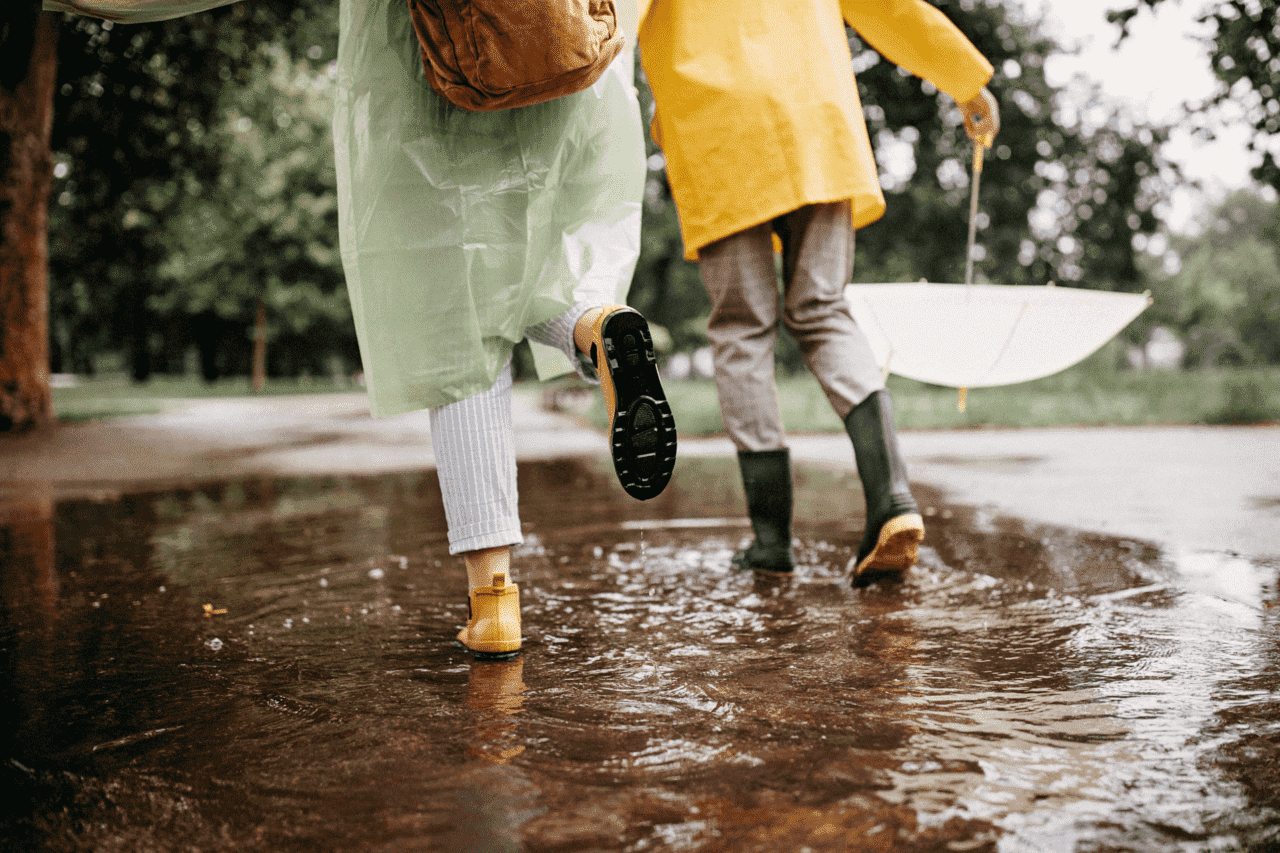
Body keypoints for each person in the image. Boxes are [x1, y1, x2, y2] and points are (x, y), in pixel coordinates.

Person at [333, 0, 675, 658]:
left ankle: (494, 606)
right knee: (550, 259)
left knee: (458, 317)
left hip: (433, 57)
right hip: (570, 48)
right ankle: (592, 325)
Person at [636, 0, 998, 584]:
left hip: (716, 127)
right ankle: (893, 499)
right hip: (816, 119)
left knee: (741, 329)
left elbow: (599, 20)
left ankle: (772, 541)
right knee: (824, 310)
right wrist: (965, 81)